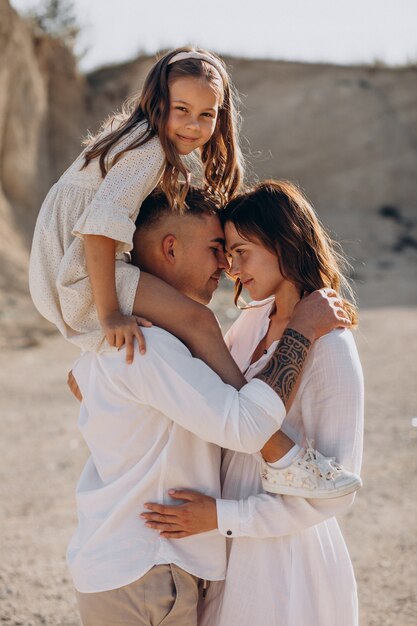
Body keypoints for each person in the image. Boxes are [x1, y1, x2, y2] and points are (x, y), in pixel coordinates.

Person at [68, 188, 352, 626]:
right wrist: (299, 330)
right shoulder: (160, 342)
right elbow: (243, 423)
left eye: (239, 251)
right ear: (170, 247)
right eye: (222, 250)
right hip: (186, 550)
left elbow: (339, 486)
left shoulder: (331, 347)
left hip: (278, 558)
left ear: (284, 244)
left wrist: (221, 515)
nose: (229, 267)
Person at [29, 46, 247, 389]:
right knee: (199, 321)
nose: (194, 125)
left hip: (59, 268)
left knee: (170, 315)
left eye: (207, 114)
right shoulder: (151, 150)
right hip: (77, 273)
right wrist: (111, 316)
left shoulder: (133, 135)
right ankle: (249, 414)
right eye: (182, 110)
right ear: (158, 103)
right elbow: (99, 231)